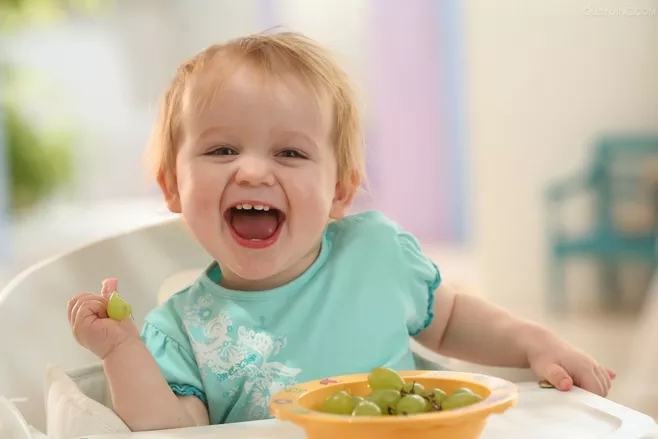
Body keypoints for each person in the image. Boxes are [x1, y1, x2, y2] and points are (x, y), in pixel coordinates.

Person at [67, 31, 614, 431]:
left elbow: (448, 320)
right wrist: (121, 352)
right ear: (172, 186)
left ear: (339, 193)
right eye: (222, 149)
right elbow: (173, 430)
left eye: (290, 152)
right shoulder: (179, 331)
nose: (253, 171)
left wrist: (535, 343)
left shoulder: (376, 255)